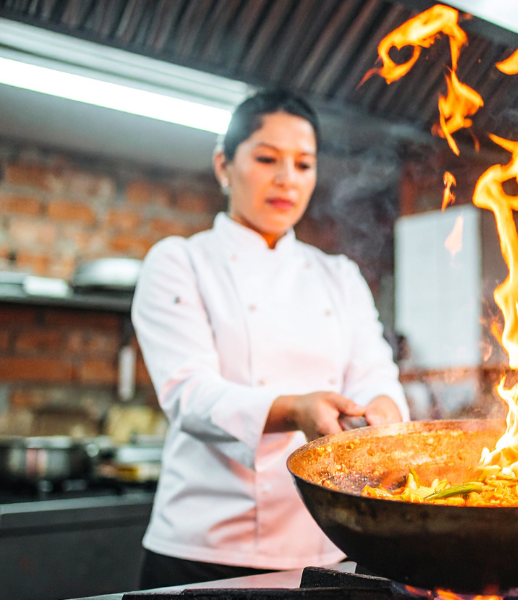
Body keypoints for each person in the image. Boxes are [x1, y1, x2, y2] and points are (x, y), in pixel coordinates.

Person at [132, 90, 409, 589]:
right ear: (224, 165)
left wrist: (383, 411)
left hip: (325, 543)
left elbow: (374, 370)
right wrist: (296, 409)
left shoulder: (338, 275)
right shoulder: (180, 262)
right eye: (266, 159)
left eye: (303, 165)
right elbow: (188, 394)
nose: (287, 179)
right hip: (207, 546)